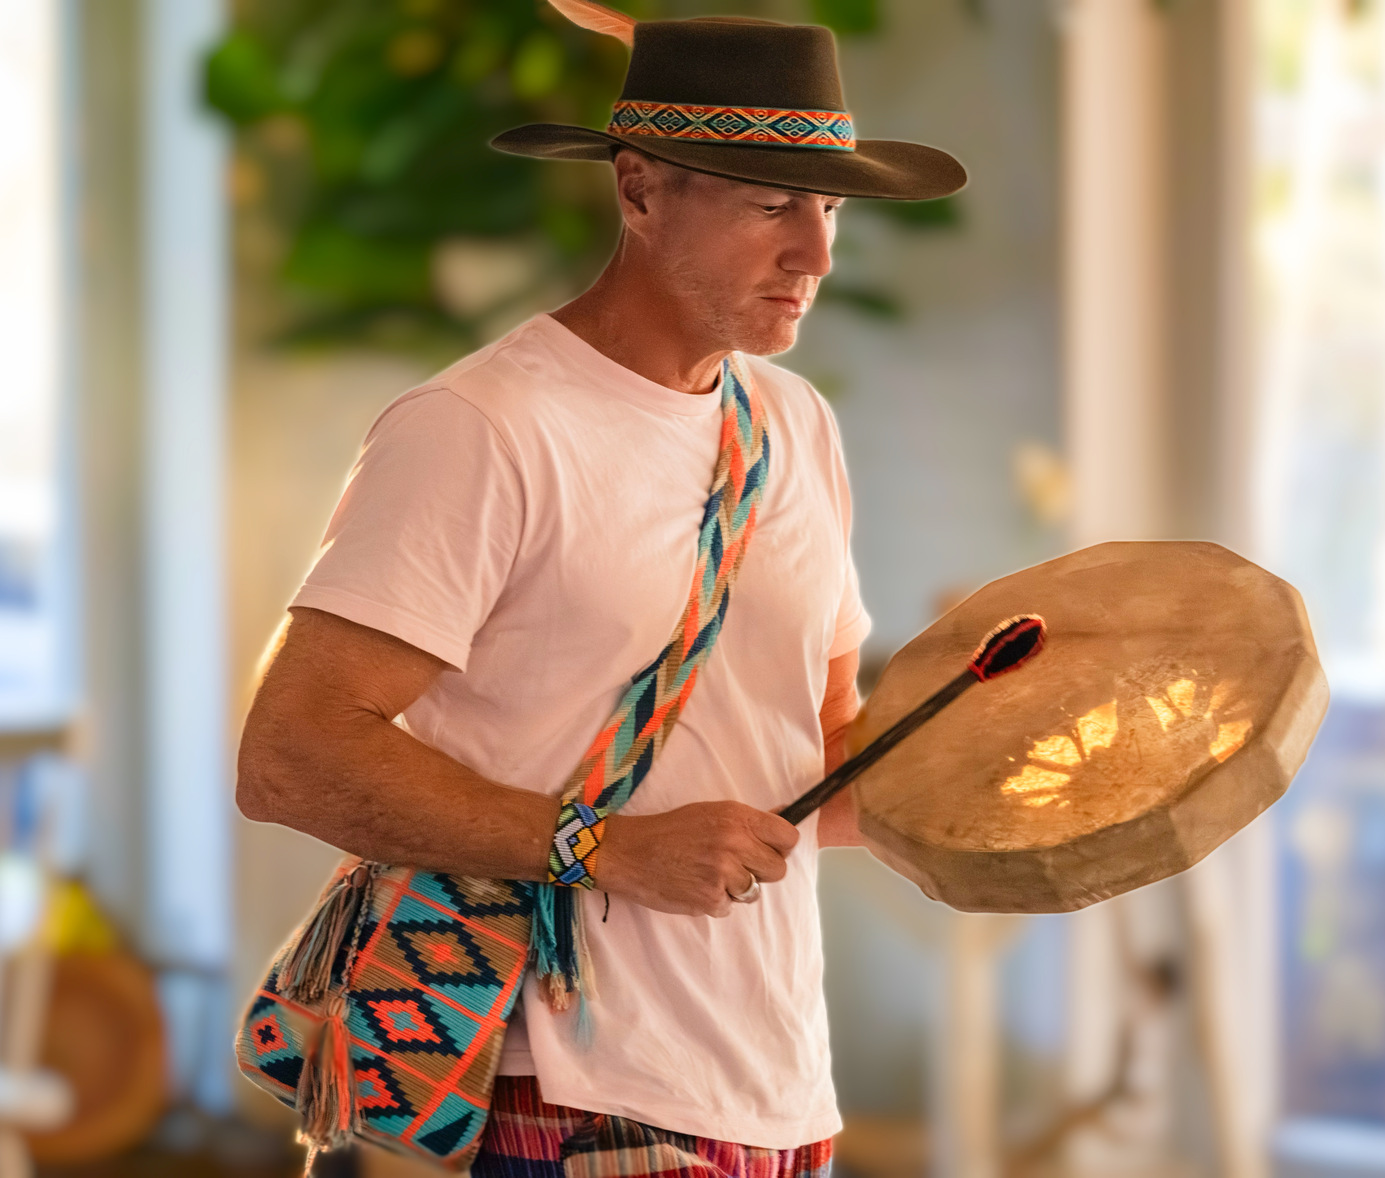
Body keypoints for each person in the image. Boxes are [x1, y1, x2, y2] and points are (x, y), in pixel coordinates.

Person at [236, 8, 964, 1177]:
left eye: (828, 208)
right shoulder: (482, 427)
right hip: (574, 1090)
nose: (815, 255)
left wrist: (1015, 750)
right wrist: (601, 845)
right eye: (769, 203)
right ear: (637, 190)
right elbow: (289, 753)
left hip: (777, 1090)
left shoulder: (794, 426)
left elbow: (817, 767)